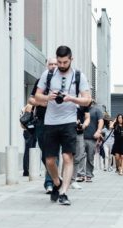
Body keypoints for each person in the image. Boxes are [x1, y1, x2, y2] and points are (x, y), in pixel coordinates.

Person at [35, 45, 91, 205]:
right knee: (49, 160)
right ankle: (57, 182)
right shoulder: (48, 74)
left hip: (69, 122)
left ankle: (64, 192)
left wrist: (71, 98)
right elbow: (36, 97)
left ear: (71, 59)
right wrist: (47, 97)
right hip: (50, 122)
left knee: (67, 157)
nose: (61, 65)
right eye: (59, 62)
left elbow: (87, 100)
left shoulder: (79, 76)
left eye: (65, 62)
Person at [28, 58, 58, 193]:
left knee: (54, 153)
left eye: (55, 64)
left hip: (57, 122)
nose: (53, 66)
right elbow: (30, 99)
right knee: (45, 153)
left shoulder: (63, 83)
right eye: (50, 64)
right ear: (47, 65)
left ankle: (50, 183)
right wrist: (41, 103)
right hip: (41, 121)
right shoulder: (41, 81)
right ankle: (54, 176)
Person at [79, 100, 104, 182]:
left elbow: (101, 121)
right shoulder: (80, 109)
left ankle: (89, 174)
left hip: (92, 138)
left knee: (90, 157)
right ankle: (81, 174)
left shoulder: (96, 110)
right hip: (80, 136)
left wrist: (98, 131)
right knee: (80, 156)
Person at [70, 105, 90, 189]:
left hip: (79, 132)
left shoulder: (83, 102)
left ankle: (73, 180)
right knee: (66, 156)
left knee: (78, 156)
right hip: (65, 131)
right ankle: (63, 179)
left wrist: (83, 125)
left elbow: (87, 118)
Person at [21, 104, 37, 176]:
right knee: (28, 150)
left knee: (32, 151)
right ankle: (26, 170)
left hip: (31, 131)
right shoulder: (29, 106)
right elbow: (25, 119)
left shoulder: (30, 106)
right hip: (29, 131)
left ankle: (31, 170)